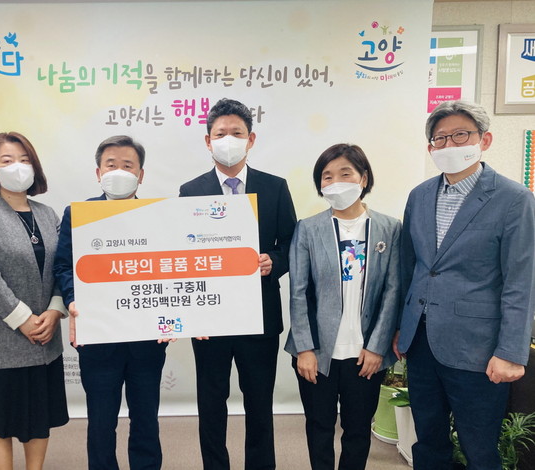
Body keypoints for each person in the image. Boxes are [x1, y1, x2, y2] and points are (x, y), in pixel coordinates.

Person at [394, 100, 535, 470]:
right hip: (421, 342)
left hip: (478, 349)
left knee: (479, 449)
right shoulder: (419, 195)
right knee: (428, 441)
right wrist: (401, 328)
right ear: (431, 147)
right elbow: (411, 268)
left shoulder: (514, 199)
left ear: (484, 140)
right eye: (440, 138)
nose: (449, 145)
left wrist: (511, 352)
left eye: (460, 135)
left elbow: (521, 282)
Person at [179, 98, 297, 469]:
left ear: (251, 139)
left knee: (259, 402)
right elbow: (182, 253)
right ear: (207, 141)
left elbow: (292, 243)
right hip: (210, 317)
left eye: (236, 132)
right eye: (220, 134)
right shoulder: (190, 191)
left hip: (259, 315)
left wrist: (273, 261)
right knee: (211, 403)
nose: (228, 140)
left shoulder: (274, 187)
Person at [54, 135, 169, 470]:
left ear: (141, 175)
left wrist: (174, 314)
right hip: (98, 336)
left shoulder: (160, 215)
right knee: (101, 422)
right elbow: (63, 266)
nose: (119, 172)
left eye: (128, 165)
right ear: (98, 172)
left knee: (146, 418)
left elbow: (171, 269)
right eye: (111, 165)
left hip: (147, 338)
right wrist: (73, 299)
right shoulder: (78, 214)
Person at [284, 144, 401, 470]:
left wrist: (377, 347)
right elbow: (298, 292)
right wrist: (305, 348)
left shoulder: (389, 228)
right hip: (317, 352)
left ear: (363, 178)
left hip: (365, 354)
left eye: (345, 174)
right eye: (327, 176)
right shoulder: (308, 229)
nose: (336, 182)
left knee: (358, 431)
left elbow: (393, 291)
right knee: (319, 427)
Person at [0, 132, 69, 470]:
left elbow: (62, 267)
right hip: (3, 339)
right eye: (7, 161)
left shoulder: (47, 214)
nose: (17, 167)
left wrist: (54, 311)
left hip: (46, 337)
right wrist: (22, 318)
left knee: (39, 417)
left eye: (24, 160)